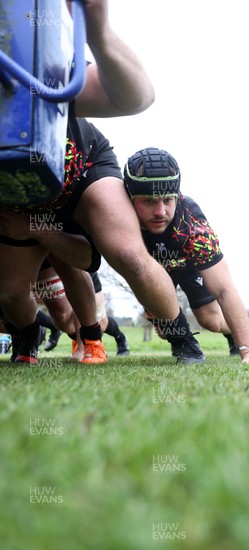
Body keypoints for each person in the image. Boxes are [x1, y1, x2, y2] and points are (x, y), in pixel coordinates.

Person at [0, 0, 190, 365]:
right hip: (19, 192)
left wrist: (100, 37)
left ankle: (180, 337)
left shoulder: (23, 53)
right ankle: (28, 335)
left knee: (128, 254)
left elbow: (135, 97)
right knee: (10, 293)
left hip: (80, 170)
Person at [123, 147, 249, 364]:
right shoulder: (117, 215)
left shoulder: (191, 223)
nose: (160, 212)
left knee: (210, 320)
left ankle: (232, 334)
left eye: (167, 200)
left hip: (186, 263)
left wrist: (248, 351)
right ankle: (182, 342)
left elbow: (224, 289)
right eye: (149, 201)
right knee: (165, 329)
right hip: (150, 268)